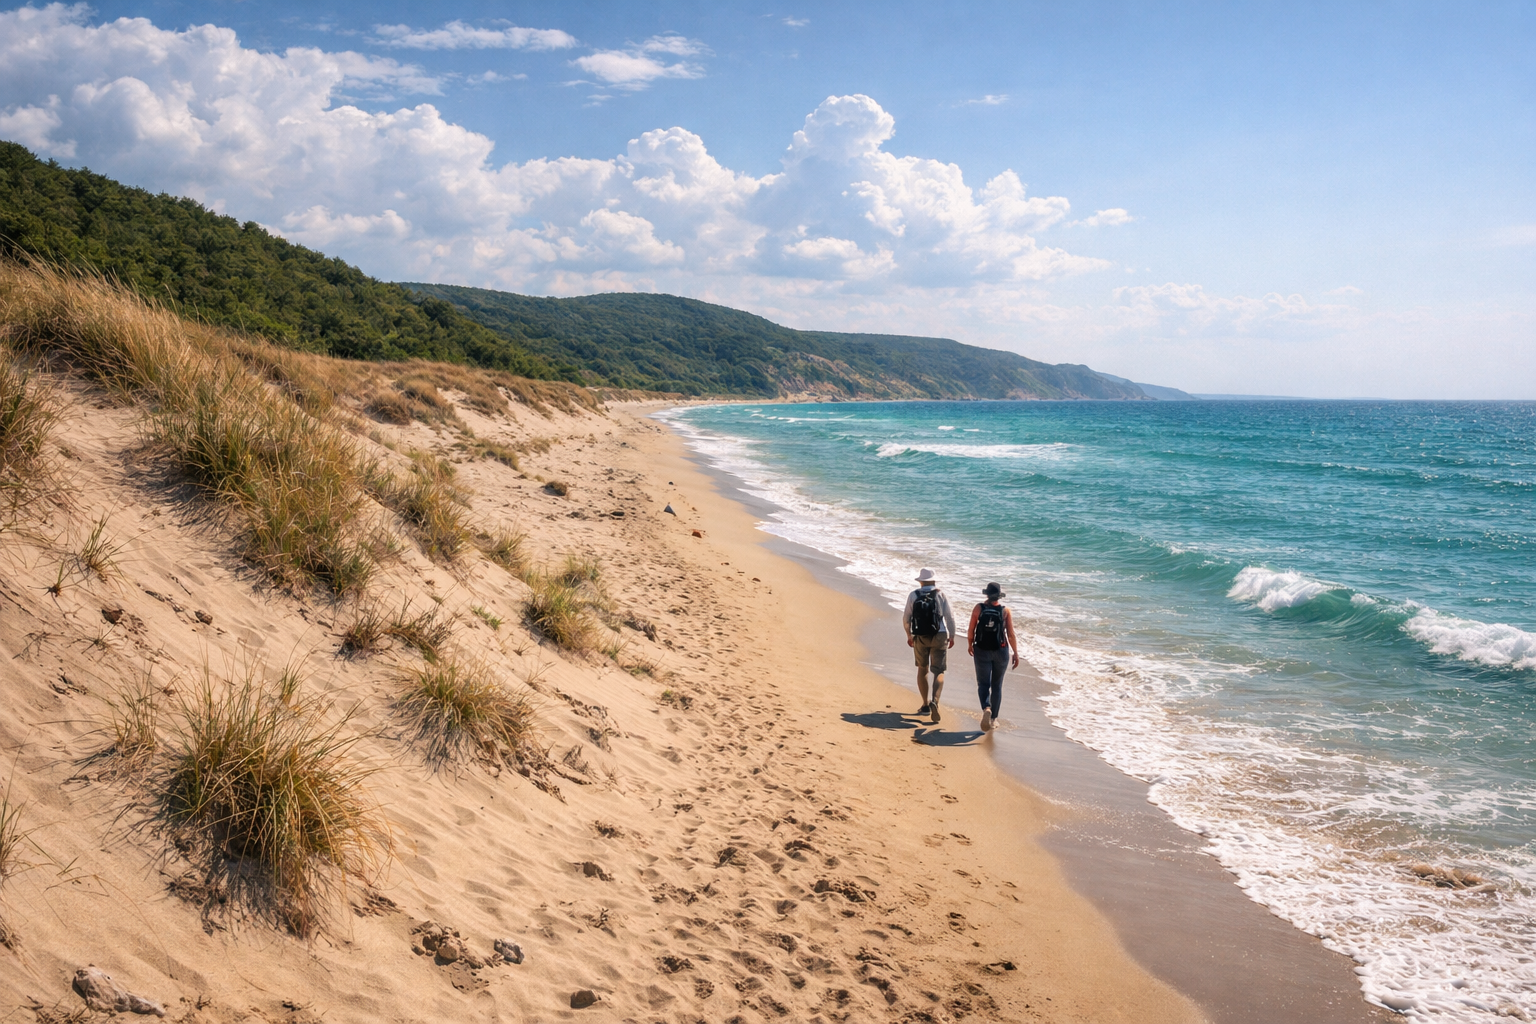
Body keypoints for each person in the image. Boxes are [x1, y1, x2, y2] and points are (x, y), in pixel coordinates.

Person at [903, 568, 955, 723]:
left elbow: (906, 618)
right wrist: (951, 636)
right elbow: (950, 618)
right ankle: (935, 701)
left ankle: (925, 704)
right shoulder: (941, 595)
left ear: (920, 581)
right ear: (934, 581)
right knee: (939, 671)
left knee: (922, 669)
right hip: (939, 635)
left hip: (920, 635)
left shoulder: (914, 595)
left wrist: (909, 635)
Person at [966, 582, 1019, 733]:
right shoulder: (1005, 610)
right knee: (997, 686)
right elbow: (1010, 634)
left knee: (983, 684)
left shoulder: (978, 608)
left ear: (986, 595)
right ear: (999, 595)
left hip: (981, 649)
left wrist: (970, 644)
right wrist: (1015, 652)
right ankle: (994, 719)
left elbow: (971, 629)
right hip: (1001, 651)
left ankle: (986, 708)